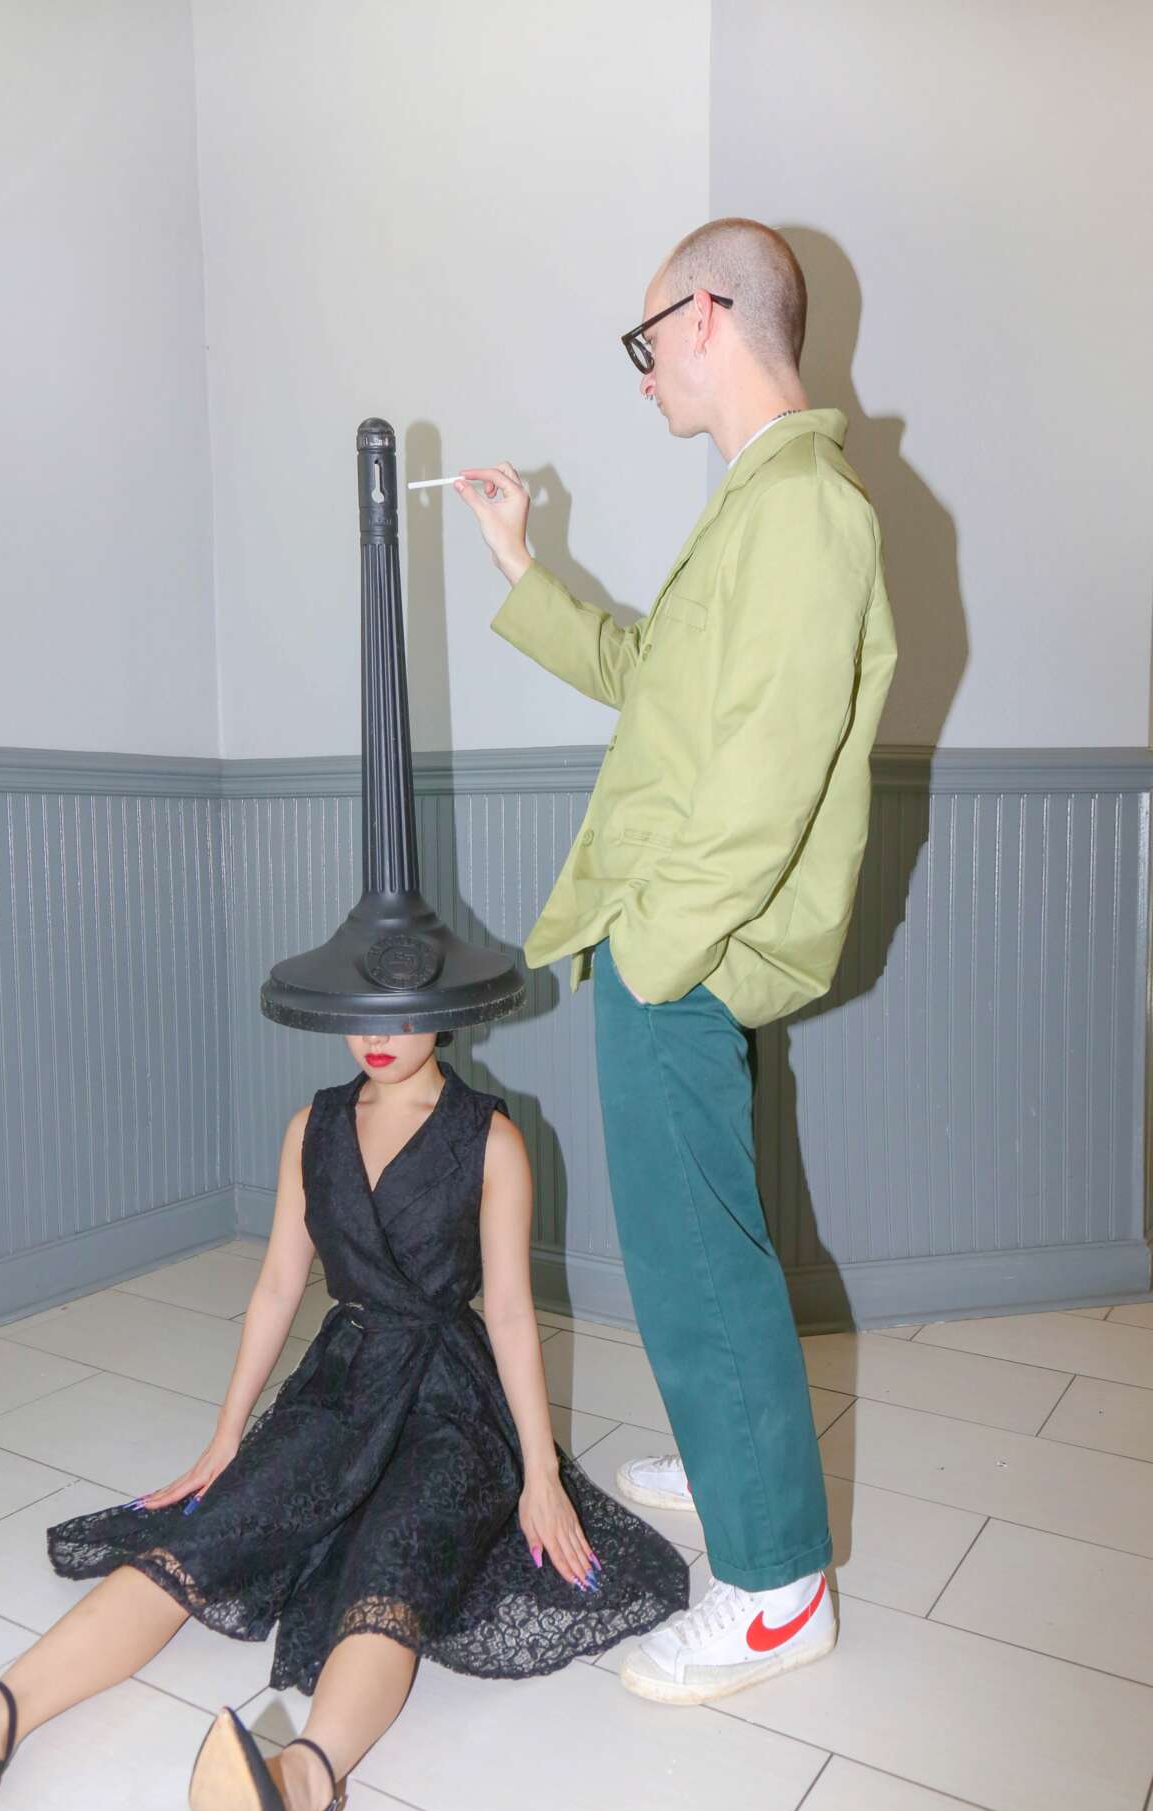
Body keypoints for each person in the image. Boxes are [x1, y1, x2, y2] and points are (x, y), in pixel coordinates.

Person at [0, 1032, 686, 1811]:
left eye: (399, 1012)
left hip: (452, 1404)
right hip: (345, 1380)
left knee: (391, 1565)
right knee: (210, 1532)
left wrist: (539, 1473)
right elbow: (275, 1287)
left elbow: (513, 1315)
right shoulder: (314, 1126)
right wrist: (226, 1440)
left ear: (444, 1010)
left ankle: (301, 1789)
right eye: (360, 1011)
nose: (376, 1036)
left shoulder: (490, 1138)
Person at [456, 216, 897, 1706]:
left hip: (679, 947)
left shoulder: (802, 510)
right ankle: (734, 1473)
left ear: (706, 316)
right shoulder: (763, 503)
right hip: (675, 940)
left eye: (644, 340)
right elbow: (654, 680)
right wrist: (521, 566)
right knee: (701, 1239)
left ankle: (775, 1592)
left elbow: (765, 782)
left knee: (699, 1260)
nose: (641, 371)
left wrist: (651, 952)